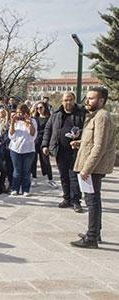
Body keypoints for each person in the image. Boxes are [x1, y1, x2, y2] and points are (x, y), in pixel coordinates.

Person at [71, 87, 116, 249]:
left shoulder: (102, 116)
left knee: (92, 201)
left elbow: (99, 146)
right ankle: (95, 232)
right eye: (87, 98)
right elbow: (93, 141)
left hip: (93, 167)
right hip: (92, 165)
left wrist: (87, 168)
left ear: (101, 100)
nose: (87, 101)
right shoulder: (96, 116)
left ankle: (91, 238)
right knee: (94, 199)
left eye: (91, 98)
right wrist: (80, 143)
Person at [42, 92, 86, 212]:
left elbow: (87, 130)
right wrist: (45, 145)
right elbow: (48, 129)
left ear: (74, 100)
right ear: (62, 101)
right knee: (63, 176)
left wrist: (80, 139)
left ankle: (76, 201)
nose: (68, 102)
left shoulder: (81, 113)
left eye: (70, 100)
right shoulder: (56, 114)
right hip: (60, 150)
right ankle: (66, 198)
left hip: (75, 151)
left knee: (73, 176)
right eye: (66, 100)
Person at [8, 104, 37, 196]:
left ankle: (26, 189)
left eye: (22, 113)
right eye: (18, 113)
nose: (20, 115)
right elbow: (11, 135)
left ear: (26, 113)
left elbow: (33, 135)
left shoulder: (33, 121)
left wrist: (30, 123)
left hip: (28, 149)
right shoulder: (15, 122)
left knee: (26, 170)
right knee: (17, 170)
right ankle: (15, 188)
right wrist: (12, 123)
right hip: (15, 149)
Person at [31, 101, 53, 188]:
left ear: (45, 108)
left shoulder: (49, 118)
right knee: (33, 161)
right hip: (35, 142)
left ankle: (50, 179)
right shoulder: (34, 119)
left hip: (44, 142)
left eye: (41, 108)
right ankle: (34, 178)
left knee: (45, 161)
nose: (39, 110)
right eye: (37, 108)